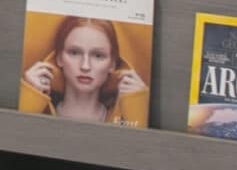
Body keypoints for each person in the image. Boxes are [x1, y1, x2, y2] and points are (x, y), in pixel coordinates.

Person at [19, 16, 148, 126]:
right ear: (59, 58)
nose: (85, 66)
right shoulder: (37, 109)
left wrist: (137, 105)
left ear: (112, 64)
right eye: (74, 53)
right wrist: (28, 99)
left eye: (98, 55)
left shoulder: (126, 119)